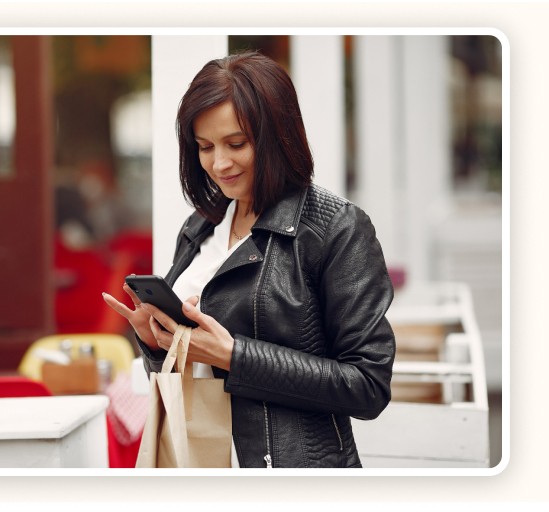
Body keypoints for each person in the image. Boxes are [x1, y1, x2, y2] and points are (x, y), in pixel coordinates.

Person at [101, 51, 395, 468]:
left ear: (278, 136)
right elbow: (192, 371)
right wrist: (157, 343)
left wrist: (233, 356)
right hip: (199, 463)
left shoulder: (335, 228)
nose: (219, 163)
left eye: (236, 144)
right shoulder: (201, 225)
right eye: (205, 147)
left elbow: (368, 385)